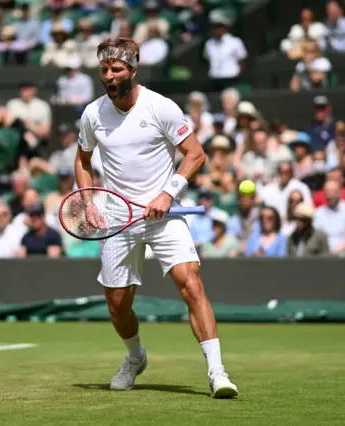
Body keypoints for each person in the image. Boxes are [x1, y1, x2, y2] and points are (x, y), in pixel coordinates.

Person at [74, 37, 238, 398]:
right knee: (118, 306)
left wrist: (167, 193)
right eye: (104, 69)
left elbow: (195, 155)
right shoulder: (92, 114)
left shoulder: (161, 107)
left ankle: (217, 372)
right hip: (118, 217)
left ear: (133, 70)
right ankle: (135, 358)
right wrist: (88, 202)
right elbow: (83, 161)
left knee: (192, 284)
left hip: (163, 213)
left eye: (116, 69)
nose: (109, 75)